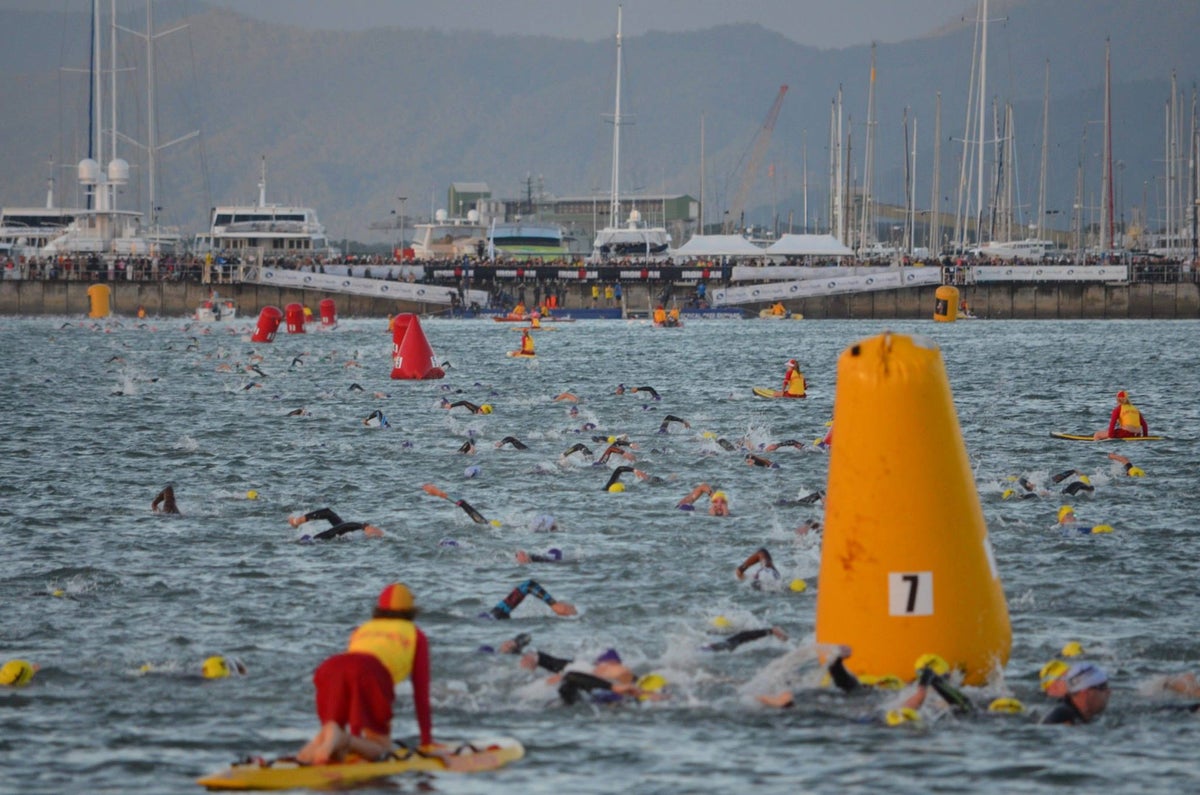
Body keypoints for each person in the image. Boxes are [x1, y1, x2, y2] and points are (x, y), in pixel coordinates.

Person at [296, 583, 434, 764]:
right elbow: (421, 693)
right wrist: (427, 741)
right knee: (383, 748)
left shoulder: (362, 630)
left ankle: (309, 753)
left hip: (331, 667)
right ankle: (342, 739)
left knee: (333, 738)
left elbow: (354, 695)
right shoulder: (415, 635)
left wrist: (354, 739)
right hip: (369, 672)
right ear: (411, 610)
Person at [1040, 662, 1110, 724]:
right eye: (1102, 687)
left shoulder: (1076, 714)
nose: (1109, 692)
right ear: (1085, 692)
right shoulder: (1062, 718)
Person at [484, 579, 576, 620]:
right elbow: (528, 586)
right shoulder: (495, 616)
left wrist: (554, 605)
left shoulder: (496, 614)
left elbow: (528, 586)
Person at [290, 508, 385, 541]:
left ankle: (296, 522)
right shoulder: (319, 539)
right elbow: (344, 527)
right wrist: (363, 527)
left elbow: (344, 527)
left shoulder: (320, 537)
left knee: (328, 513)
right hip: (318, 542)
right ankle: (296, 522)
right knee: (343, 528)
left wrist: (364, 527)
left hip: (346, 534)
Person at [702, 626, 787, 652]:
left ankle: (771, 631)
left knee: (733, 642)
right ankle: (771, 631)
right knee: (733, 641)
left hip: (709, 649)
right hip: (708, 649)